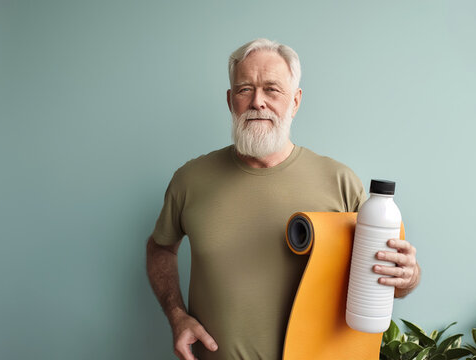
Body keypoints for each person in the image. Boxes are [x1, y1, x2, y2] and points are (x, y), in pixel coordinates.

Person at [146, 38, 421, 360]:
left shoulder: (340, 182)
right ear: (230, 100)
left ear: (295, 101)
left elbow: (383, 280)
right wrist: (176, 315)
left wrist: (407, 278)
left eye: (272, 89)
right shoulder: (190, 180)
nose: (257, 102)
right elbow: (160, 248)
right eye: (244, 89)